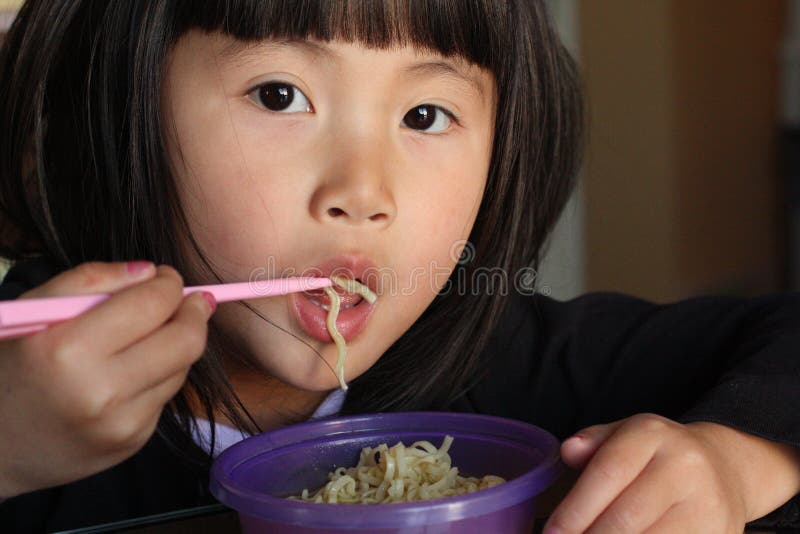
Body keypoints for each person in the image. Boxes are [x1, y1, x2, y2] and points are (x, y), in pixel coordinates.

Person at [0, 0, 798, 532]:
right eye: (279, 95)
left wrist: (738, 459)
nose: (363, 191)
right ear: (120, 105)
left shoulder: (507, 362)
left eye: (425, 115)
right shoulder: (27, 383)